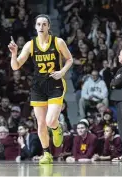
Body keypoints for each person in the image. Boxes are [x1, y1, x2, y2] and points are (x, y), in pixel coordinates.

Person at [8, 14, 73, 164]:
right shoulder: (30, 45)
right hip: (38, 86)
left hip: (55, 84)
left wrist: (62, 72)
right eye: (39, 24)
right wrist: (13, 54)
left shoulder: (58, 42)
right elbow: (15, 66)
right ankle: (47, 154)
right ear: (35, 27)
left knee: (51, 121)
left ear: (49, 26)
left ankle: (57, 128)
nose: (41, 27)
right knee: (41, 123)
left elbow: (70, 59)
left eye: (44, 24)